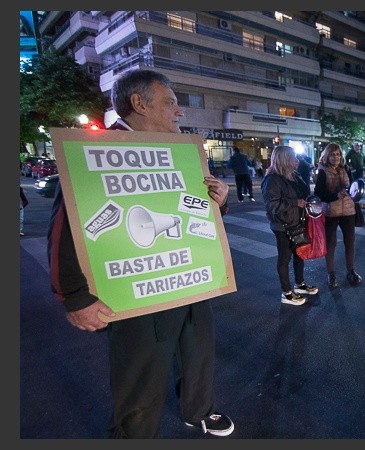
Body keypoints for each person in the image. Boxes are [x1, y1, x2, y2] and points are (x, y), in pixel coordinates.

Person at [47, 69, 234, 438]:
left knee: (197, 353)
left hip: (189, 278)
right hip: (138, 290)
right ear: (139, 104)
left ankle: (199, 409)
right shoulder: (98, 150)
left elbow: (193, 207)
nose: (180, 112)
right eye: (171, 102)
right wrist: (75, 297)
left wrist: (219, 202)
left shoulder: (180, 153)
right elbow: (63, 232)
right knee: (141, 374)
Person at [262, 145, 319, 305]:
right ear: (284, 160)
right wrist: (296, 203)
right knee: (285, 258)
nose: (297, 160)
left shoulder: (294, 176)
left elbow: (306, 194)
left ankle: (300, 284)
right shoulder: (272, 180)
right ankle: (286, 292)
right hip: (283, 226)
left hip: (298, 222)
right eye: (293, 157)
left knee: (300, 253)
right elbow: (272, 206)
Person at [314, 143, 362, 288]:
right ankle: (331, 274)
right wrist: (336, 195)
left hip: (348, 210)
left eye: (338, 154)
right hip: (331, 212)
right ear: (327, 156)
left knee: (350, 242)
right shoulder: (322, 172)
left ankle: (351, 271)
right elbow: (319, 195)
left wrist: (356, 191)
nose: (336, 157)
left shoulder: (346, 169)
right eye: (332, 154)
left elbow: (353, 186)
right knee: (331, 244)